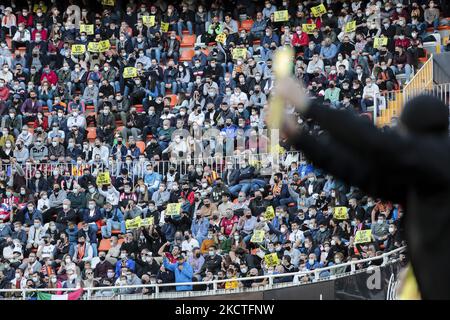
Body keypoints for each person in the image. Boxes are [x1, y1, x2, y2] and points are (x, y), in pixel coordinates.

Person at [275, 76, 450, 299]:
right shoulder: (423, 182)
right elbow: (356, 173)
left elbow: (370, 140)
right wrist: (301, 140)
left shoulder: (439, 157)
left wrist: (307, 105)